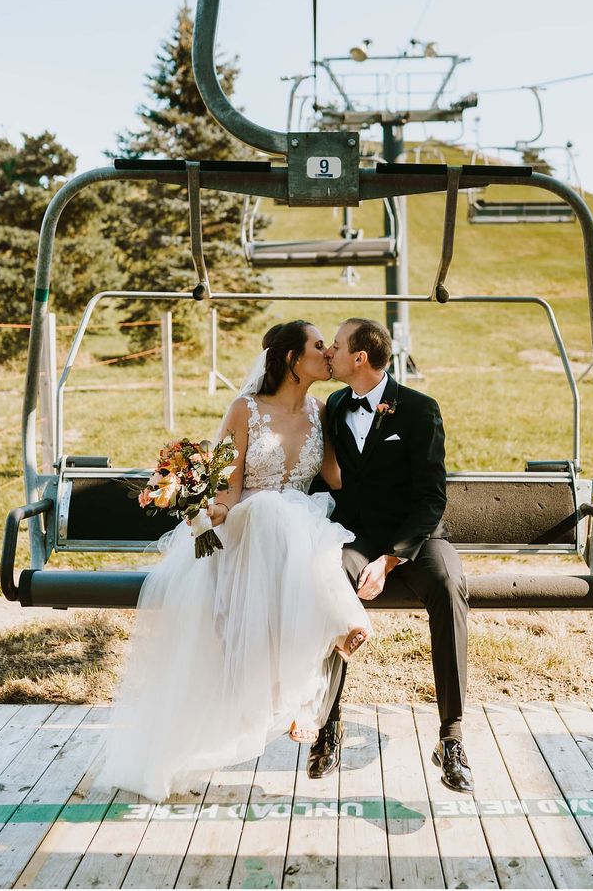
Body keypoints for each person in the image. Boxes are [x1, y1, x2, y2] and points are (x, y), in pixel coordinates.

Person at [98, 320, 371, 802]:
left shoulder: (322, 410)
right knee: (268, 510)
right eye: (317, 345)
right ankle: (327, 641)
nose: (327, 351)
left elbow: (336, 477)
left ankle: (298, 694)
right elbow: (229, 487)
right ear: (291, 359)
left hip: (300, 532)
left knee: (296, 527)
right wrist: (206, 507)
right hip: (246, 529)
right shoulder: (244, 409)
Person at [306, 317, 474, 794]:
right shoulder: (336, 404)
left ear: (360, 357)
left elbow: (430, 497)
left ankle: (452, 736)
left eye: (336, 347)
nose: (330, 354)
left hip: (417, 539)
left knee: (447, 584)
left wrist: (391, 560)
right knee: (330, 578)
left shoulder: (419, 409)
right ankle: (328, 724)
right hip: (356, 537)